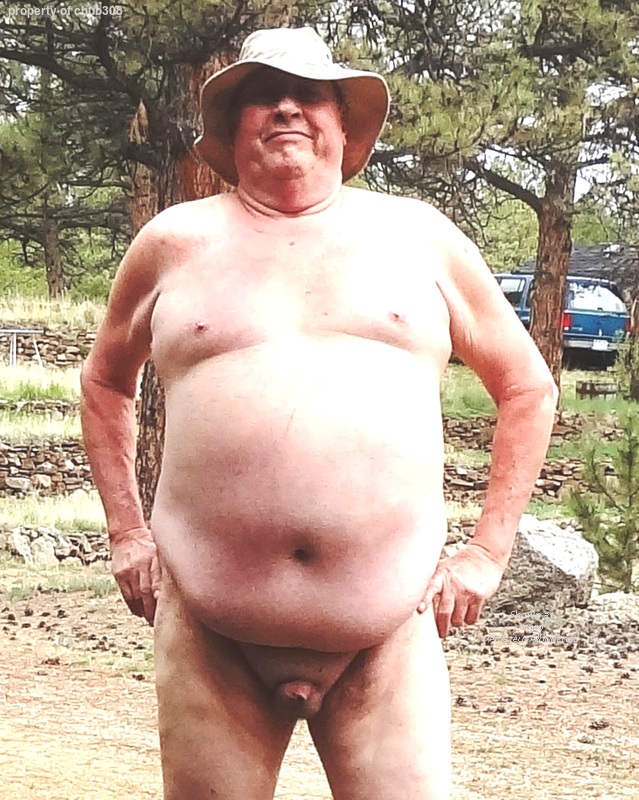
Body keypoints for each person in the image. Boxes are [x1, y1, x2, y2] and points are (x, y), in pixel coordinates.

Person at [80, 26, 557, 800]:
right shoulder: (172, 243)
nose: (286, 108)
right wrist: (127, 532)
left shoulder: (418, 237)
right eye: (262, 95)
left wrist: (486, 553)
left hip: (387, 633)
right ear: (230, 126)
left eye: (309, 94)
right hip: (209, 633)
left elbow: (528, 388)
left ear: (344, 123)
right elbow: (105, 384)